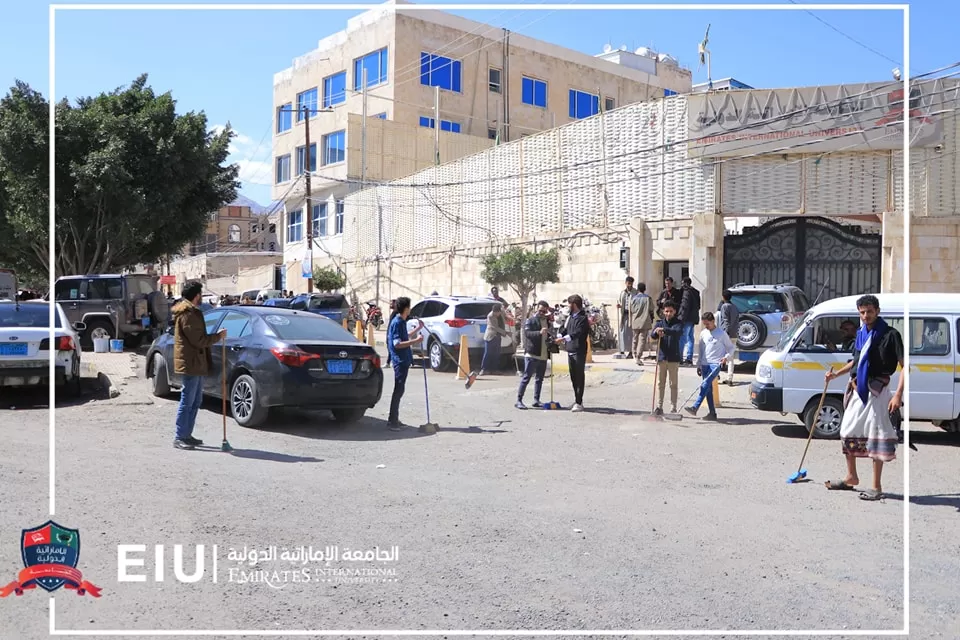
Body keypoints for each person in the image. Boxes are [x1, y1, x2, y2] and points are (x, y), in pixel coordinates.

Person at [823, 295, 903, 501]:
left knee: (876, 436)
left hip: (878, 391)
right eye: (862, 312)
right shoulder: (861, 334)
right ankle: (851, 477)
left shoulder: (890, 335)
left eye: (869, 311)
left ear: (877, 310)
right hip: (858, 390)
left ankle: (876, 486)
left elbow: (906, 367)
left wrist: (898, 395)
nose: (866, 315)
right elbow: (856, 362)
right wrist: (836, 375)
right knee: (847, 431)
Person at [171, 280, 227, 450]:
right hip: (191, 363)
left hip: (196, 362)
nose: (201, 297)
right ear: (196, 296)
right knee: (187, 400)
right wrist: (218, 337)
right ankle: (180, 436)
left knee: (195, 401)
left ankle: (187, 434)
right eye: (200, 294)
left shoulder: (192, 312)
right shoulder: (188, 314)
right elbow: (198, 340)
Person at [684, 311, 735, 421]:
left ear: (713, 321)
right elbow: (701, 350)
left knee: (705, 384)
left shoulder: (721, 334)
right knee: (708, 389)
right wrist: (699, 364)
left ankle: (695, 407)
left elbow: (731, 348)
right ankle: (712, 413)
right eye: (705, 324)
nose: (706, 326)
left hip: (715, 364)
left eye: (708, 324)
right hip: (705, 363)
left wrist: (726, 357)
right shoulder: (703, 333)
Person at [386, 297, 423, 431]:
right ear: (406, 308)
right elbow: (397, 344)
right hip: (400, 361)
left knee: (400, 390)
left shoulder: (401, 321)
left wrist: (418, 329)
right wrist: (416, 341)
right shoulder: (397, 322)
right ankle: (392, 421)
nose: (411, 309)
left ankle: (394, 418)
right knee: (398, 390)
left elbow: (404, 337)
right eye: (409, 306)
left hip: (404, 360)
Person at [554, 294, 589, 412]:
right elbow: (565, 329)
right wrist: (558, 336)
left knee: (579, 376)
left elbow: (578, 333)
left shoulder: (583, 319)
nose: (568, 306)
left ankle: (579, 402)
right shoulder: (570, 317)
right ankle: (577, 400)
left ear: (574, 305)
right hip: (570, 350)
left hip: (579, 350)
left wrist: (563, 339)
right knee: (573, 377)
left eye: (569, 303)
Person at [516, 301, 552, 409]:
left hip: (543, 354)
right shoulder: (531, 320)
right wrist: (539, 333)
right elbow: (527, 334)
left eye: (544, 311)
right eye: (540, 310)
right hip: (532, 354)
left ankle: (536, 400)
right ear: (537, 309)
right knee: (526, 377)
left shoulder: (547, 321)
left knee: (539, 379)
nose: (542, 313)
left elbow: (550, 334)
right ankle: (519, 400)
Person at [651, 301, 683, 415]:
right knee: (661, 383)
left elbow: (677, 332)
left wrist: (664, 330)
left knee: (673, 384)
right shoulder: (659, 323)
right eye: (666, 311)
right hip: (662, 357)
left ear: (674, 311)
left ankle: (673, 407)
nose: (668, 313)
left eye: (670, 311)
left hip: (673, 358)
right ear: (663, 312)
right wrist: (656, 332)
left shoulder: (678, 323)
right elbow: (652, 335)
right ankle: (659, 406)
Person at [717, 290, 740, 385]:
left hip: (726, 334)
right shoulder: (735, 307)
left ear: (723, 297)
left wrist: (724, 334)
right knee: (730, 357)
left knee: (719, 355)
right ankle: (729, 378)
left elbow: (725, 321)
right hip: (734, 334)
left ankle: (716, 374)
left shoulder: (724, 306)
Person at [480, 303, 509, 375]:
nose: (496, 314)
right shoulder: (490, 316)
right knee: (488, 353)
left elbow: (505, 317)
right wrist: (506, 333)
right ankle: (484, 369)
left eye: (497, 312)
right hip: (491, 336)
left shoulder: (502, 312)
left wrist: (508, 318)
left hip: (498, 336)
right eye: (495, 312)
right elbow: (495, 327)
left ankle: (494, 369)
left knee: (496, 353)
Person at [629, 282, 654, 366]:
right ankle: (638, 357)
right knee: (642, 339)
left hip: (635, 320)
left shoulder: (633, 298)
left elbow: (631, 310)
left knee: (635, 338)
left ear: (638, 289)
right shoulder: (648, 298)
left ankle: (634, 354)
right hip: (645, 321)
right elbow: (651, 309)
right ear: (644, 289)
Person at [678, 277, 701, 366]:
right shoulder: (696, 292)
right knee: (690, 338)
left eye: (682, 283)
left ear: (685, 283)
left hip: (686, 318)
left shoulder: (686, 292)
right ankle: (689, 358)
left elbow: (685, 306)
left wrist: (681, 318)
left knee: (682, 338)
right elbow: (698, 306)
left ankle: (680, 358)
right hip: (693, 318)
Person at [617, 276, 637, 358]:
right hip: (623, 315)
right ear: (625, 283)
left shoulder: (635, 292)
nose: (629, 285)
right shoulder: (622, 293)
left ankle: (631, 351)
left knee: (631, 334)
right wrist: (619, 305)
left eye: (631, 283)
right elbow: (620, 302)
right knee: (623, 332)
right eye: (628, 283)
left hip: (632, 315)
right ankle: (622, 350)